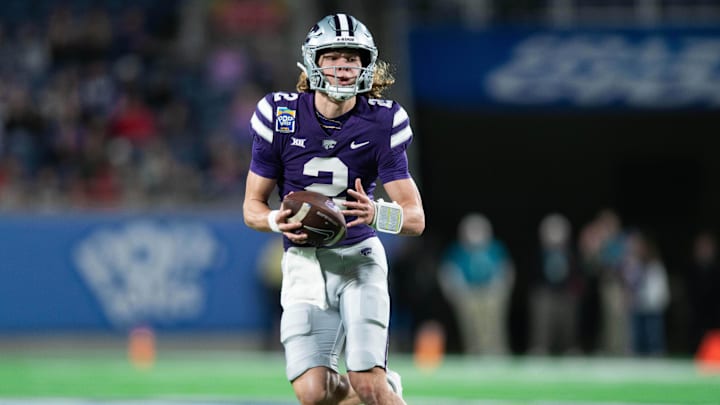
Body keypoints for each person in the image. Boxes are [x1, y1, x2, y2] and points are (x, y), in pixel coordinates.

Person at [242, 13, 424, 405]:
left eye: (353, 57)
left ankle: (380, 387)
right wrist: (278, 219)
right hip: (303, 262)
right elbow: (252, 208)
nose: (343, 66)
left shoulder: (382, 120)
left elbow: (415, 218)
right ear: (313, 61)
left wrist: (377, 214)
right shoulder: (280, 114)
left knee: (367, 381)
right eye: (333, 56)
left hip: (358, 259)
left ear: (367, 64)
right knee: (313, 392)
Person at [437, 212, 514, 355]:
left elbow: (505, 270)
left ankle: (496, 351)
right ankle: (475, 351)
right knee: (471, 319)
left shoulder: (495, 249)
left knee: (493, 320)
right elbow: (448, 273)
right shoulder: (457, 251)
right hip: (468, 293)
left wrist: (499, 289)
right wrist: (455, 291)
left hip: (491, 292)